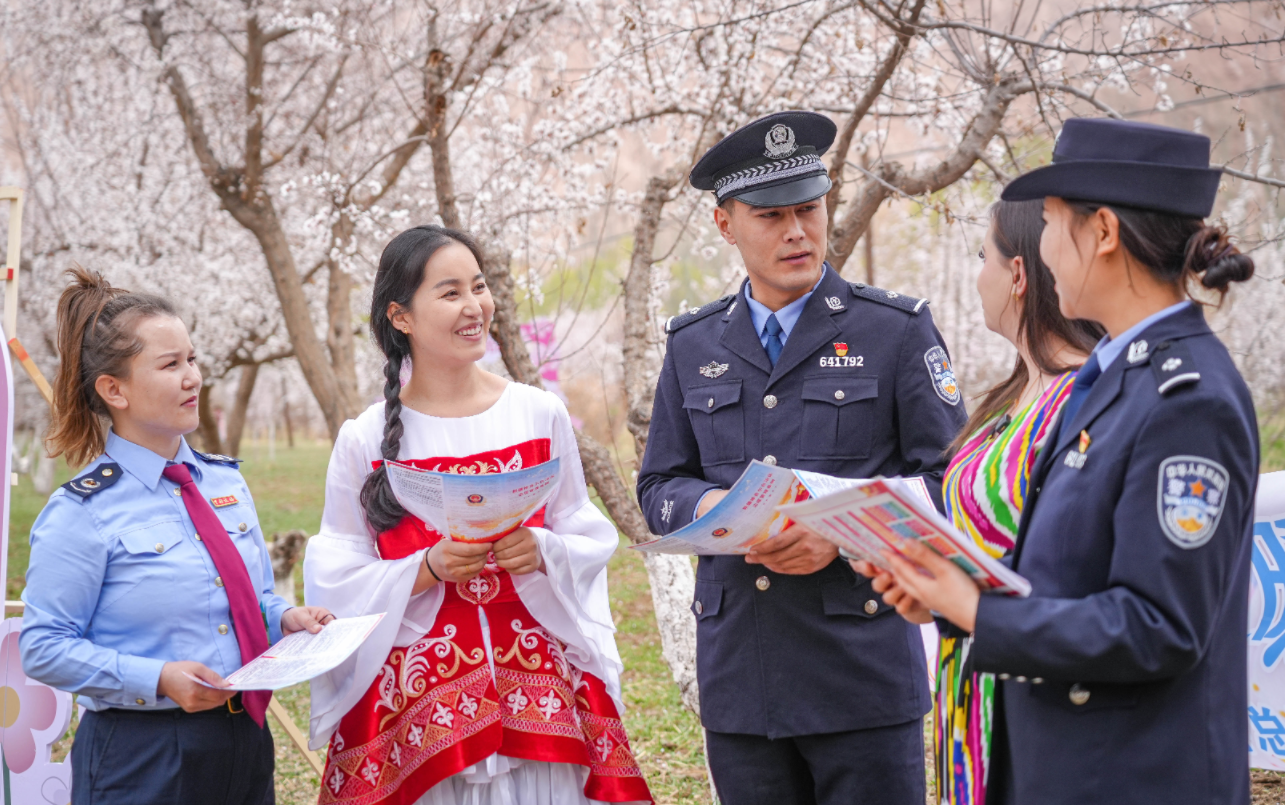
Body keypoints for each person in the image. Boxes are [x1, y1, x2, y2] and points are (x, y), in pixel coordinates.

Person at [865, 118, 1259, 804]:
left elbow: (1159, 626)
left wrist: (979, 612)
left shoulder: (1187, 399)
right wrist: (949, 598)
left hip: (1129, 781)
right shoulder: (1110, 378)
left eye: (1049, 223)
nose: (1042, 251)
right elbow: (1069, 575)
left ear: (1101, 231)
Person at [636, 110, 968, 805]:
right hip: (742, 677)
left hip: (861, 674)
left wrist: (839, 534)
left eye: (808, 210)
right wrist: (714, 508)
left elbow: (949, 484)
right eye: (770, 216)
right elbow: (660, 482)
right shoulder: (693, 344)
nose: (796, 231)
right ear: (725, 224)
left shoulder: (893, 331)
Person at [303, 225, 652, 805]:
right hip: (418, 706)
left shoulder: (538, 413)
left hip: (541, 689)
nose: (474, 307)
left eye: (479, 286)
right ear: (400, 316)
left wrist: (543, 550)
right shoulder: (364, 437)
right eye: (450, 293)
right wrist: (425, 569)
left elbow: (582, 529)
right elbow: (336, 572)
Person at [20, 267, 333, 805]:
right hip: (142, 754)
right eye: (170, 365)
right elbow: (43, 648)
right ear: (113, 389)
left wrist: (283, 617)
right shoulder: (82, 511)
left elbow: (249, 596)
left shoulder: (224, 483)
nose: (193, 378)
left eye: (192, 359)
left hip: (244, 738)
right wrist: (158, 678)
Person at [924, 199, 1101, 804]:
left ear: (1018, 274)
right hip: (969, 686)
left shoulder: (1085, 398)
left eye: (984, 257)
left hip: (1034, 690)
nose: (978, 276)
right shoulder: (1015, 393)